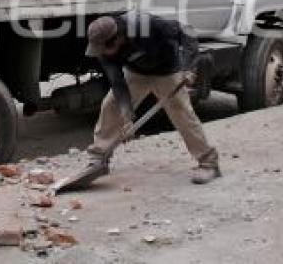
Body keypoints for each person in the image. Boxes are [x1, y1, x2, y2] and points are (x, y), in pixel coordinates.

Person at [85, 12, 221, 184]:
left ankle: (209, 163)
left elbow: (188, 32)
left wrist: (188, 68)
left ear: (117, 38)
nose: (102, 53)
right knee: (111, 106)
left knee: (182, 113)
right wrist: (127, 117)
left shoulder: (146, 24)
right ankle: (98, 158)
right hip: (135, 73)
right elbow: (117, 82)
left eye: (105, 49)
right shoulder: (103, 48)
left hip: (166, 71)